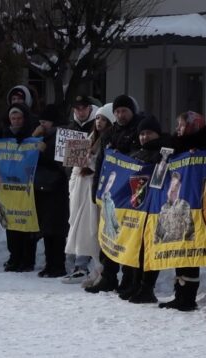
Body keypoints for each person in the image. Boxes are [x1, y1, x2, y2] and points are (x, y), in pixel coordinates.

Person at [86, 94, 144, 294]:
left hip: (129, 194)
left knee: (127, 236)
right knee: (108, 236)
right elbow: (101, 163)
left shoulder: (139, 131)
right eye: (117, 111)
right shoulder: (109, 134)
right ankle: (108, 276)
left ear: (131, 112)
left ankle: (128, 278)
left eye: (124, 111)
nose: (120, 115)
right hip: (110, 194)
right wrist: (96, 191)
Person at [158, 110, 206, 311]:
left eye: (182, 125)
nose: (178, 129)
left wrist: (196, 157)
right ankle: (179, 294)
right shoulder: (175, 147)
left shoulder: (204, 146)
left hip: (194, 208)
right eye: (178, 125)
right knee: (179, 249)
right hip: (176, 206)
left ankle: (188, 297)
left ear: (193, 126)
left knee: (190, 252)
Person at [120, 115, 171, 304]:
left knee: (149, 249)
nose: (144, 137)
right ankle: (135, 283)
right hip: (137, 208)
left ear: (157, 133)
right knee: (136, 247)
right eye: (141, 133)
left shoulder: (164, 153)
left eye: (148, 133)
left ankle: (147, 287)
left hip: (154, 208)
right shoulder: (137, 153)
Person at [63, 102, 112, 286]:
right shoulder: (90, 139)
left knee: (94, 231)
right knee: (83, 230)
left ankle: (100, 269)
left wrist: (90, 166)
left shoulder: (107, 141)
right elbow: (76, 168)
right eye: (98, 118)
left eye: (104, 119)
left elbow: (103, 165)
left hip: (95, 191)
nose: (99, 122)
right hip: (81, 191)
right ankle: (91, 268)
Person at [0, 102, 38, 272]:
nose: (16, 121)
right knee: (11, 221)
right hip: (8, 185)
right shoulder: (2, 134)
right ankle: (14, 257)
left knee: (26, 221)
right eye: (13, 118)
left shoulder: (31, 134)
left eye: (19, 118)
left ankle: (27, 259)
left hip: (27, 185)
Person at [31, 104, 70, 278]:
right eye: (40, 121)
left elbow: (61, 163)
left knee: (57, 229)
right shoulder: (44, 137)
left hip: (57, 187)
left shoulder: (61, 137)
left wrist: (44, 152)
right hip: (43, 186)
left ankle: (58, 264)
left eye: (44, 121)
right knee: (46, 228)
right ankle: (49, 263)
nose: (42, 125)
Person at [154, 171, 194, 243]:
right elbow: (157, 232)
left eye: (176, 185)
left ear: (180, 187)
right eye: (172, 183)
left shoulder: (184, 205)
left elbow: (191, 232)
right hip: (164, 249)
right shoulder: (164, 207)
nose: (173, 187)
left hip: (178, 248)